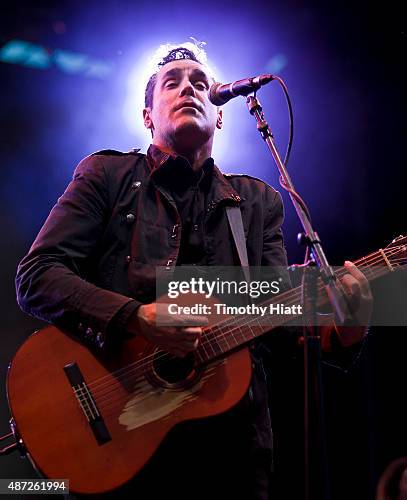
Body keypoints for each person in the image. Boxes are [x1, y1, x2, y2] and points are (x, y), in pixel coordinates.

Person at [15, 42, 372, 499]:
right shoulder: (106, 175)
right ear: (147, 116)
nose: (190, 89)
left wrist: (350, 328)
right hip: (124, 444)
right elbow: (37, 275)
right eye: (173, 83)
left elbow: (283, 332)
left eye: (201, 84)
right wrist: (135, 317)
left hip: (232, 455)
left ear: (220, 114)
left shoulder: (258, 202)